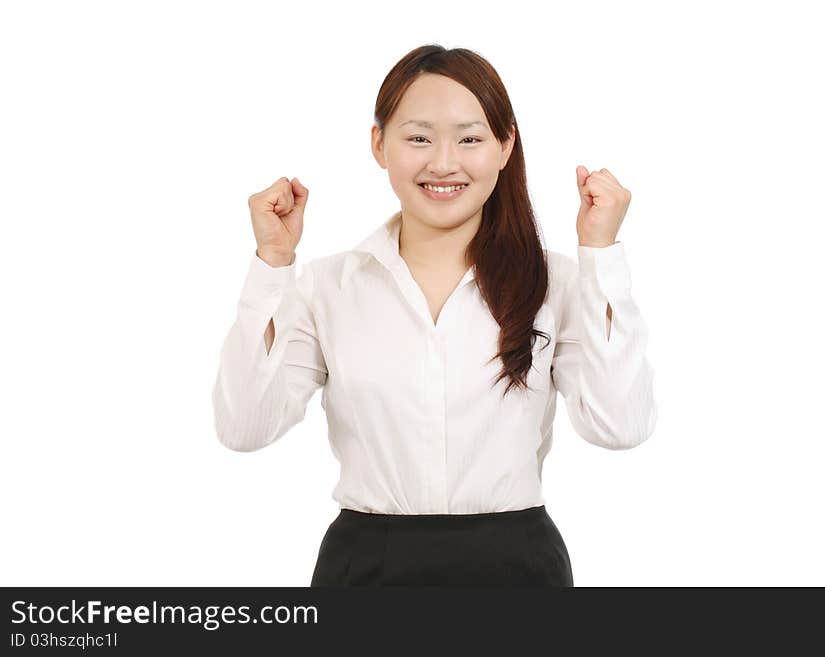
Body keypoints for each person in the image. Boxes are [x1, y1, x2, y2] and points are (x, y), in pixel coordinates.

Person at [212, 44, 658, 587]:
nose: (443, 163)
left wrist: (601, 256)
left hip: (517, 571)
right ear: (379, 144)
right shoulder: (328, 287)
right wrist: (272, 266)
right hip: (367, 570)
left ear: (504, 144)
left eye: (469, 138)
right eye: (418, 137)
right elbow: (244, 428)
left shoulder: (556, 282)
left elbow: (621, 426)